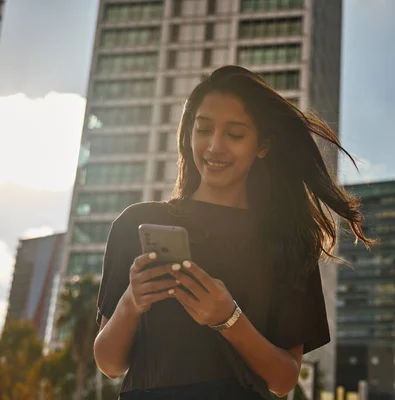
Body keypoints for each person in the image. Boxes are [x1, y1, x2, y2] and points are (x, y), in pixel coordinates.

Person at [93, 65, 372, 400]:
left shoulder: (289, 243)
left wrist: (228, 318)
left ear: (262, 145)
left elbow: (284, 380)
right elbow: (109, 363)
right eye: (204, 129)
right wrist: (131, 303)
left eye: (235, 134)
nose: (214, 147)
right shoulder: (135, 223)